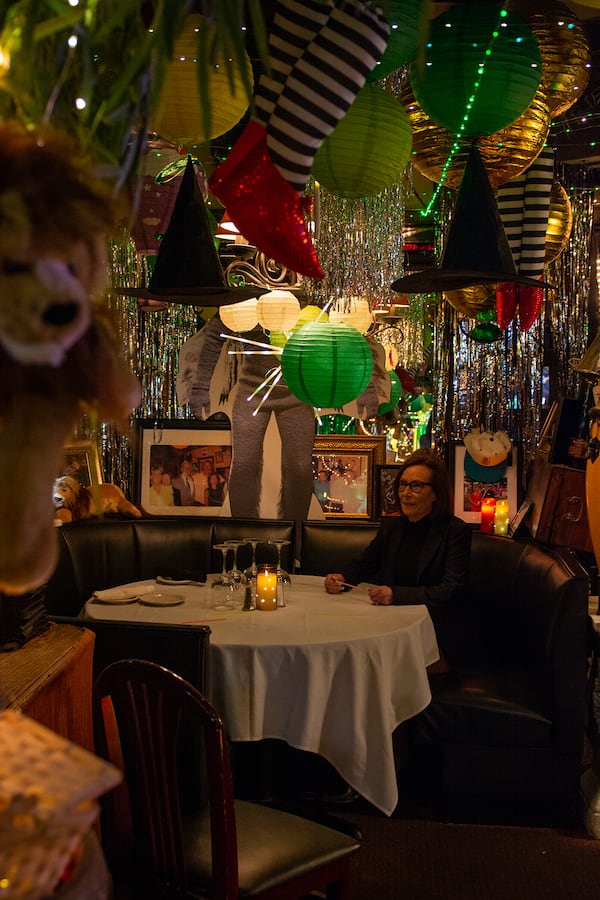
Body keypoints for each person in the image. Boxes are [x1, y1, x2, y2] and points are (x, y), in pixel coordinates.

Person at [324, 448, 472, 667]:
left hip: (433, 633)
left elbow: (450, 590)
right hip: (388, 625)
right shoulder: (392, 526)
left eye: (416, 486)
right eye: (403, 485)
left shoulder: (455, 531)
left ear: (436, 494)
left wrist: (396, 595)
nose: (406, 493)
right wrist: (341, 578)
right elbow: (366, 565)